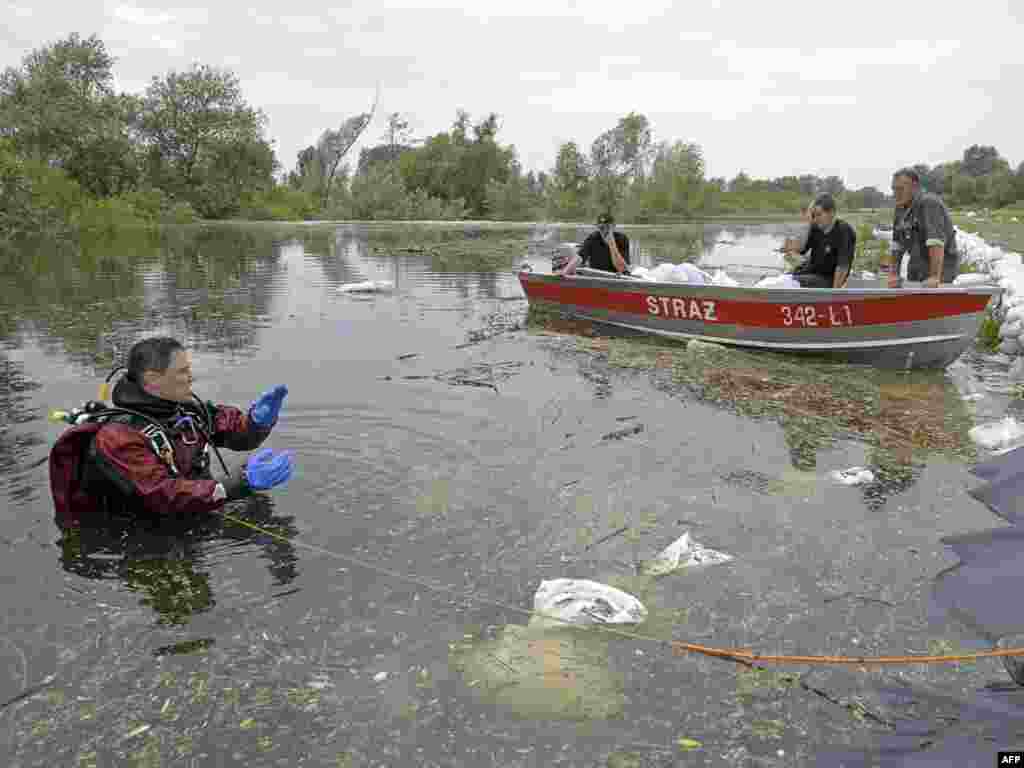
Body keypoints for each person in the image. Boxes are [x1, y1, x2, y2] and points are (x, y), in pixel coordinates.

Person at [49, 336, 294, 521]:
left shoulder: (184, 409)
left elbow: (236, 434)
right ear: (153, 380)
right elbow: (160, 494)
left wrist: (257, 422)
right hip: (143, 539)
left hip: (194, 509)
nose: (191, 377)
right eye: (183, 372)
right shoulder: (116, 438)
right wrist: (238, 484)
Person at [890, 167, 959, 288]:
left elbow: (936, 242)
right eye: (894, 189)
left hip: (941, 267)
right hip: (916, 263)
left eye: (900, 189)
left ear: (915, 187)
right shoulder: (900, 208)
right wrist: (894, 274)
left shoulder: (929, 203)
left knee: (934, 301)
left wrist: (934, 277)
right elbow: (897, 245)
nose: (896, 194)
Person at [790, 194, 857, 288]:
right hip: (811, 272)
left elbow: (843, 267)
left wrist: (834, 294)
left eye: (819, 214)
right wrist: (807, 223)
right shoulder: (815, 227)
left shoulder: (844, 231)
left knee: (791, 282)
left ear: (832, 212)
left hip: (828, 279)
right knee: (786, 278)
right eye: (813, 215)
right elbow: (800, 249)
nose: (816, 219)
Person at [559, 213, 631, 276]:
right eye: (601, 228)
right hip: (596, 275)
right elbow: (579, 257)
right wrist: (564, 272)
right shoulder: (593, 238)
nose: (605, 231)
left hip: (615, 276)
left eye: (608, 227)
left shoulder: (622, 239)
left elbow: (622, 268)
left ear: (614, 227)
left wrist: (612, 244)